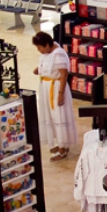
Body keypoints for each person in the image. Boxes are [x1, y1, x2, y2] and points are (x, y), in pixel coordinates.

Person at [32, 31, 76, 162]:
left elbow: (63, 75)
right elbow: (47, 67)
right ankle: (61, 143)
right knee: (52, 117)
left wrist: (60, 94)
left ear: (46, 45)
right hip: (47, 88)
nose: (39, 50)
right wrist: (38, 70)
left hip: (56, 89)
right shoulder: (48, 53)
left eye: (40, 47)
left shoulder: (58, 54)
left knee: (59, 116)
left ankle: (63, 150)